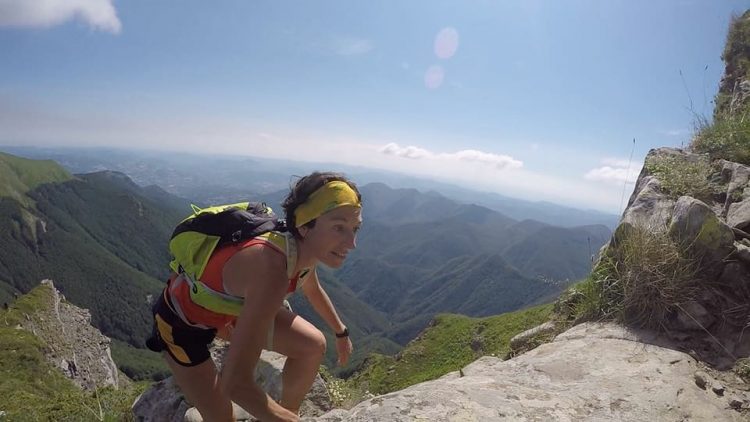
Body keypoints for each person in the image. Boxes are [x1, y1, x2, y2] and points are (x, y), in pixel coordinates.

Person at [146, 172, 361, 421]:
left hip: (230, 312)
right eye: (338, 227)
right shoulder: (271, 270)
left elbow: (312, 288)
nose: (351, 242)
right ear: (305, 225)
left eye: (355, 228)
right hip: (182, 324)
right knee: (222, 418)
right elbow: (235, 384)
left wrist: (340, 331)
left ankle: (286, 412)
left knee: (312, 346)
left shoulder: (301, 251)